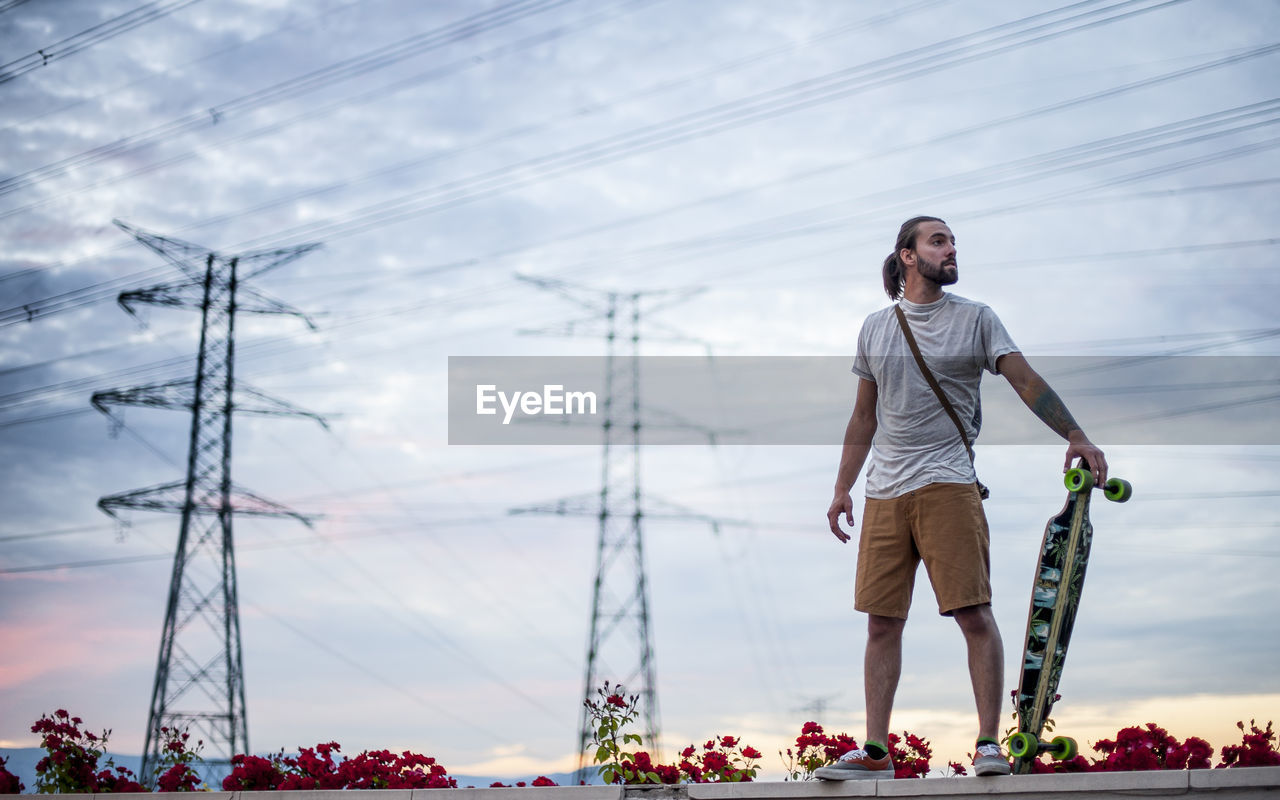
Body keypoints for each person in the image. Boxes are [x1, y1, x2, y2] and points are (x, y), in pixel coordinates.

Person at [816, 215, 1107, 780]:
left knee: (973, 614)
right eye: (939, 241)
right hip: (884, 491)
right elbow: (863, 415)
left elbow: (1025, 380)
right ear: (908, 256)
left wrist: (1074, 433)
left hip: (948, 482)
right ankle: (876, 752)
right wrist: (841, 488)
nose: (952, 250)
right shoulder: (876, 328)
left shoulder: (976, 319)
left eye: (952, 242)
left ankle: (989, 744)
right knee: (881, 623)